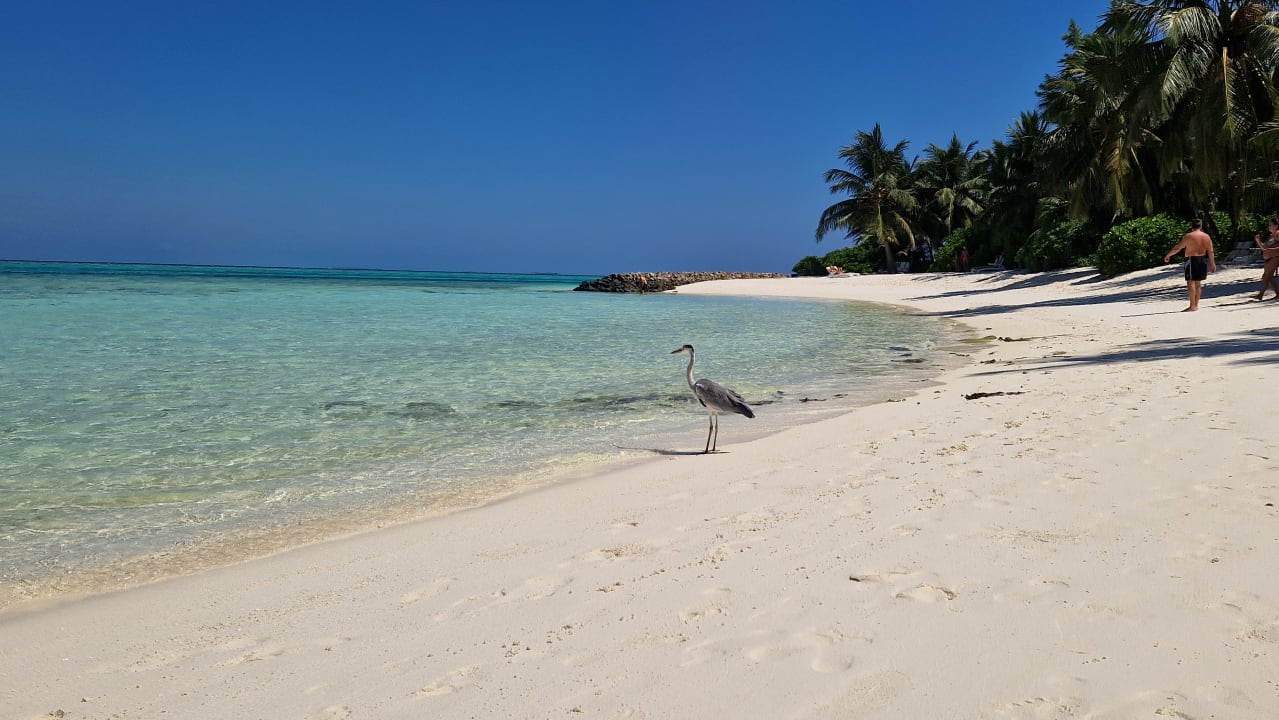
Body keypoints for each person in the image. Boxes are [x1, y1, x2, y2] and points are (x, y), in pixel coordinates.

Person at [1163, 218, 1216, 312]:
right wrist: (1212, 264)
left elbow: (1178, 248)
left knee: (1190, 282)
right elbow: (1210, 251)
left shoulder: (1189, 236)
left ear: (1192, 226)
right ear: (1200, 226)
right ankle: (1196, 305)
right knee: (1198, 283)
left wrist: (1168, 255)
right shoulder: (1206, 236)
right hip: (1202, 259)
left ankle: (1192, 306)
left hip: (1191, 260)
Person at [1253, 218, 1279, 300]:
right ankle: (1278, 293)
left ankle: (1260, 295)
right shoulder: (1271, 236)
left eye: (1271, 225)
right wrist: (1258, 241)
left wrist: (1272, 250)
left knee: (1266, 276)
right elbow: (1264, 247)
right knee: (1269, 277)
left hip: (1275, 257)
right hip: (1268, 258)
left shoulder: (1278, 234)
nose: (1269, 226)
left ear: (1276, 226)